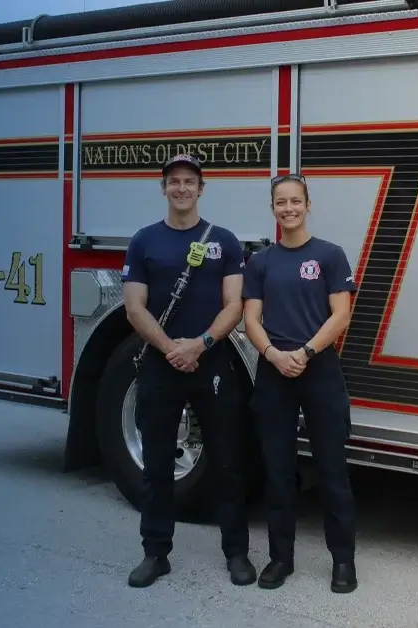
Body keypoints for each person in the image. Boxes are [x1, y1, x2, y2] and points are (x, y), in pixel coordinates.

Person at [122, 154, 255, 589]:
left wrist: (200, 344)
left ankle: (236, 553)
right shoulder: (144, 242)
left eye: (189, 182)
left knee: (227, 464)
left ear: (202, 188)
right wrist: (169, 349)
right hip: (161, 366)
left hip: (211, 363)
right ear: (163, 188)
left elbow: (234, 304)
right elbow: (134, 307)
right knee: (157, 464)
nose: (181, 188)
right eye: (174, 182)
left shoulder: (225, 241)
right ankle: (155, 553)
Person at [241, 173, 358, 594]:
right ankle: (280, 559)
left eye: (295, 201)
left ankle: (343, 562)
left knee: (331, 470)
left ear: (309, 205)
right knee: (278, 471)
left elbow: (340, 315)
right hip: (275, 372)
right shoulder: (260, 263)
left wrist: (306, 353)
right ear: (272, 208)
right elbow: (250, 318)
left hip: (319, 369)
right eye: (280, 202)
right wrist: (273, 355)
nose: (288, 208)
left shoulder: (330, 256)